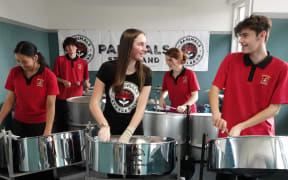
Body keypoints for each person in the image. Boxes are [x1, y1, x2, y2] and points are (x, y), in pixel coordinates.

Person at [209, 15, 288, 180]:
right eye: (240, 36)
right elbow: (215, 89)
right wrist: (216, 115)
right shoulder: (230, 60)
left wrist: (241, 126)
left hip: (258, 139)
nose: (241, 40)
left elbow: (274, 109)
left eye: (245, 35)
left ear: (262, 35)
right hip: (228, 135)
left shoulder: (282, 68)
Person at [89, 28, 152, 144]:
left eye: (145, 44)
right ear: (127, 46)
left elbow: (141, 108)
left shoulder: (146, 73)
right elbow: (93, 102)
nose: (145, 49)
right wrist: (104, 125)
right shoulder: (107, 68)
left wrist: (128, 133)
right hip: (109, 132)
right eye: (140, 44)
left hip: (133, 133)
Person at [0, 41, 59, 137]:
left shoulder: (49, 76)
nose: (21, 65)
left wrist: (47, 131)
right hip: (19, 123)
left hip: (41, 124)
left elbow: (51, 105)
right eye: (18, 61)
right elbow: (10, 99)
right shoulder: (14, 72)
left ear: (35, 58)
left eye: (24, 61)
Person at [53, 37, 90, 132]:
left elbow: (86, 78)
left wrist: (86, 84)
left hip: (77, 98)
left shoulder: (83, 62)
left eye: (73, 46)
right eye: (68, 46)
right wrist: (63, 81)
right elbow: (54, 77)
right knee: (62, 123)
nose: (70, 48)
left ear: (77, 48)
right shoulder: (59, 60)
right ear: (65, 48)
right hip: (62, 97)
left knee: (77, 122)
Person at [159, 47, 200, 113]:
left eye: (170, 60)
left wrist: (184, 106)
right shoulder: (167, 75)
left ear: (178, 59)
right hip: (173, 111)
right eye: (166, 60)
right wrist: (162, 98)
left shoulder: (190, 74)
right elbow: (165, 90)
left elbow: (195, 96)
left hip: (188, 112)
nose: (167, 63)